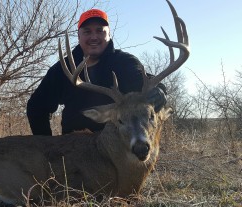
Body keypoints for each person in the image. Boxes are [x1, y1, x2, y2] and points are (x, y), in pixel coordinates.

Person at [27, 9, 167, 136]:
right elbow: (36, 106)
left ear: (109, 34)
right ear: (79, 35)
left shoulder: (124, 62)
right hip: (73, 149)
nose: (94, 37)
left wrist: (159, 91)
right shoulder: (62, 69)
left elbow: (145, 82)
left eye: (100, 31)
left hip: (116, 149)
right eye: (87, 31)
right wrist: (47, 146)